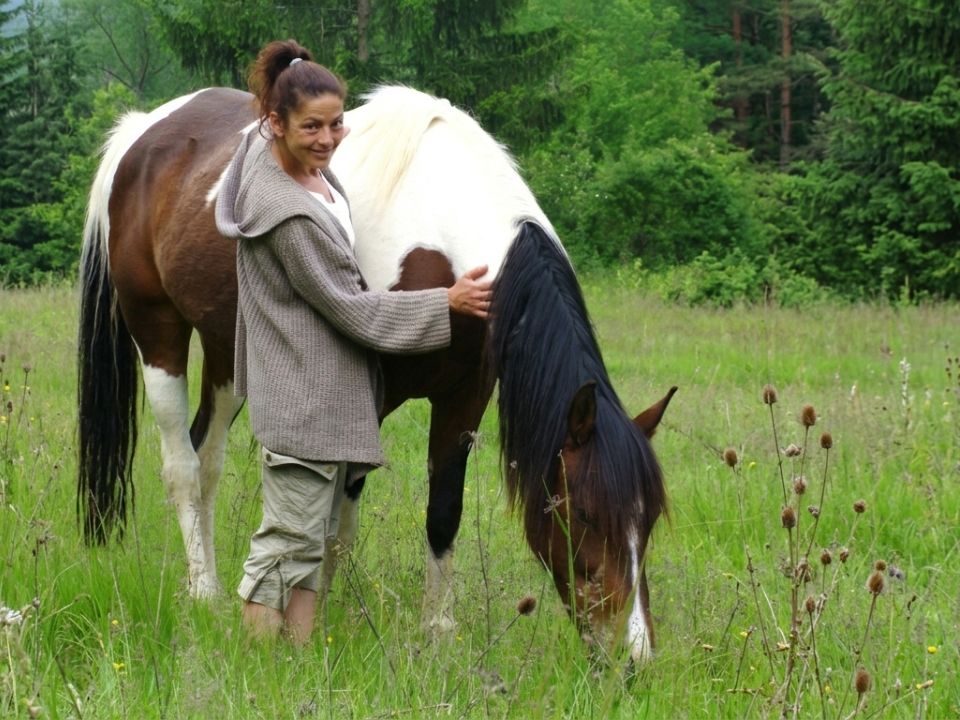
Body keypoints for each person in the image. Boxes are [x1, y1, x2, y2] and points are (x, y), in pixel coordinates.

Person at [215, 39, 492, 643]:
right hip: (302, 394)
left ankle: (299, 661)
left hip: (321, 389)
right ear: (275, 125)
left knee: (310, 545)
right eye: (310, 126)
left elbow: (266, 144)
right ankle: (259, 674)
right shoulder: (287, 213)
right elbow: (352, 311)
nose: (327, 138)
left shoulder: (295, 167)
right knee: (282, 546)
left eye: (336, 123)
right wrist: (444, 303)